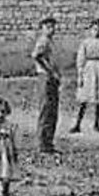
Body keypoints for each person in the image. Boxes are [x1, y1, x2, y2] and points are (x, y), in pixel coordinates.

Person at [71, 18, 99, 133]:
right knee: (84, 97)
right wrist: (80, 73)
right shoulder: (85, 42)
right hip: (88, 68)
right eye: (94, 29)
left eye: (98, 29)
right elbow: (80, 58)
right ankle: (77, 124)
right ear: (90, 30)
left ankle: (96, 123)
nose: (96, 32)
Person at [32, 16, 61, 153]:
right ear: (42, 28)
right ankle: (42, 143)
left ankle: (48, 142)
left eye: (53, 27)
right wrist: (49, 71)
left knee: (52, 109)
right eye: (48, 27)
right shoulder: (43, 41)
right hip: (45, 77)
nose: (51, 30)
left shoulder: (50, 41)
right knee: (46, 108)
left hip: (51, 77)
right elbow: (36, 56)